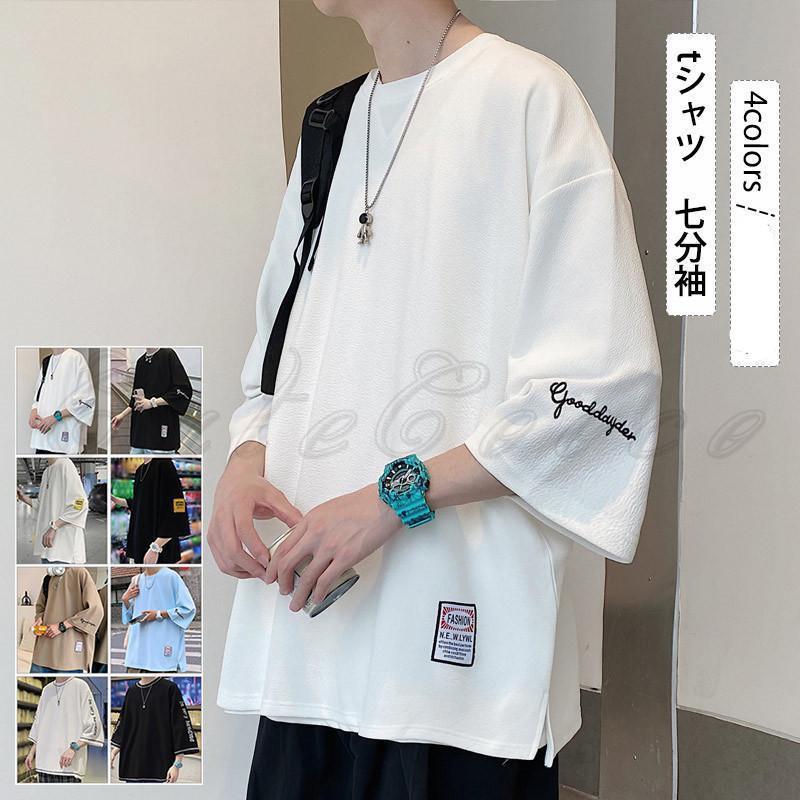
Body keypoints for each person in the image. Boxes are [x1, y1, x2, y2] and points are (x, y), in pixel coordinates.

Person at [210, 3, 662, 799]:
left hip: (458, 679)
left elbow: (599, 393)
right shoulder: (329, 125)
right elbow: (276, 358)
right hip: (310, 654)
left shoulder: (529, 99)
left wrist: (394, 497)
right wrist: (246, 459)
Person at [110, 676, 199, 783]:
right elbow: (124, 722)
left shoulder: (169, 688)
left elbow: (180, 725)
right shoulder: (131, 691)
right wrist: (114, 752)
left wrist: (177, 764)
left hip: (159, 764)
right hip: (133, 765)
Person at [111, 347, 193, 454]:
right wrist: (122, 415)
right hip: (140, 432)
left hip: (161, 431)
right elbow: (135, 396)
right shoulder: (141, 361)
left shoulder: (168, 355)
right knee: (134, 462)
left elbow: (183, 389)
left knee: (157, 463)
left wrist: (152, 403)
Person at [25, 676, 104, 783]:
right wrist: (31, 753)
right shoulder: (47, 690)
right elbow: (39, 723)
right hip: (44, 764)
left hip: (69, 766)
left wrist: (73, 748)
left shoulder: (81, 686)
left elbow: (94, 725)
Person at [111, 457, 190, 564]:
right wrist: (114, 499)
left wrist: (156, 547)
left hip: (160, 545)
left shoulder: (164, 464)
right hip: (142, 541)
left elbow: (176, 507)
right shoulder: (140, 470)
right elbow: (140, 503)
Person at [120, 568, 197, 673]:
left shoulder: (171, 576)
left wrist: (158, 614)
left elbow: (188, 609)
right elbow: (131, 618)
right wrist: (125, 600)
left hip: (162, 656)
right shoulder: (136, 580)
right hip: (136, 656)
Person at [31, 566, 104, 673]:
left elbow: (96, 610)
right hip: (42, 653)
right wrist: (39, 619)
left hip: (69, 656)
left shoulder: (79, 572)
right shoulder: (48, 577)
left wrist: (62, 626)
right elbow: (40, 607)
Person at [17, 457, 89, 564]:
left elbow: (80, 504)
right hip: (47, 548)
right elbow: (42, 506)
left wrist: (54, 527)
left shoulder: (65, 464)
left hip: (65, 551)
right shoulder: (46, 472)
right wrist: (23, 497)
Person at [28, 347, 95, 455]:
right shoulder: (46, 361)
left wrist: (56, 417)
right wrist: (33, 411)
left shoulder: (76, 358)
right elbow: (38, 393)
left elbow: (86, 400)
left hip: (64, 441)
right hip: (42, 436)